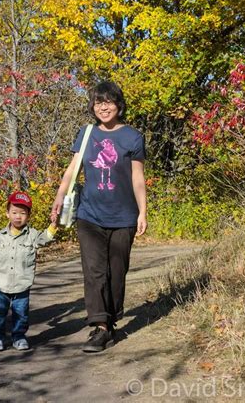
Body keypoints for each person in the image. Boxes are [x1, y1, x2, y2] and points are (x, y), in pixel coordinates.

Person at [50, 80, 147, 353]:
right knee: (94, 271)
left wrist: (143, 211)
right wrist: (59, 196)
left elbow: (138, 178)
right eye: (98, 102)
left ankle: (112, 317)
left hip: (124, 216)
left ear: (119, 104)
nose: (103, 107)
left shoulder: (133, 137)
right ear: (92, 106)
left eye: (109, 101)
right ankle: (100, 326)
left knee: (116, 272)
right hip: (89, 214)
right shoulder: (86, 133)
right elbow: (72, 170)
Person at [0, 190, 57, 351]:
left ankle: (19, 336)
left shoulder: (32, 235)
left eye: (22, 213)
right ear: (7, 214)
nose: (18, 216)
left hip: (22, 284)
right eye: (14, 212)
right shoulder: (1, 236)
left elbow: (45, 238)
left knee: (21, 313)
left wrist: (54, 226)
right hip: (2, 283)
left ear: (29, 215)